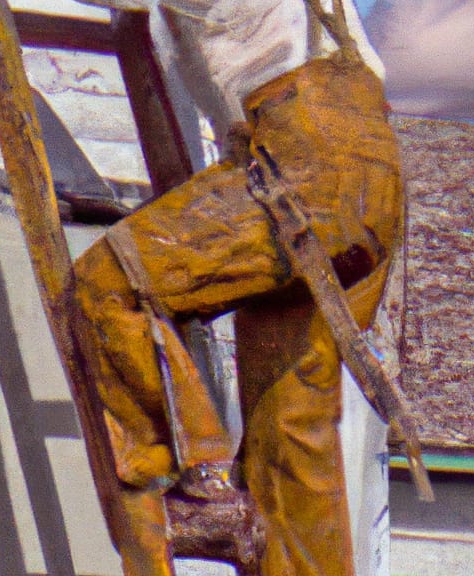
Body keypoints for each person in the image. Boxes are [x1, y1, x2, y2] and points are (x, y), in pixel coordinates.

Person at [70, 2, 401, 574]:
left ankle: (203, 482)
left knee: (109, 283)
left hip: (304, 154)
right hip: (372, 179)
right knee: (290, 439)